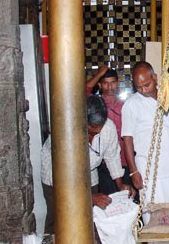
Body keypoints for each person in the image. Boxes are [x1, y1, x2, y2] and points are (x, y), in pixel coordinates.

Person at [40, 95, 135, 236]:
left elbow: (112, 156)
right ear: (82, 120)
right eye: (91, 131)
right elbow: (65, 178)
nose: (95, 134)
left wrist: (120, 185)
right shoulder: (64, 132)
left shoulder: (108, 128)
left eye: (99, 130)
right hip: (57, 177)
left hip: (89, 173)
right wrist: (90, 197)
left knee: (89, 220)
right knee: (60, 220)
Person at [122, 61, 169, 223]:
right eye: (138, 87)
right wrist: (134, 172)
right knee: (154, 223)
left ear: (155, 78)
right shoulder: (132, 104)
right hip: (148, 172)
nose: (143, 90)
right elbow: (127, 139)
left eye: (146, 85)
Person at [85, 66, 128, 194]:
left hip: (124, 159)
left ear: (118, 83)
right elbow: (81, 92)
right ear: (100, 84)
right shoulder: (94, 105)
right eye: (105, 83)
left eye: (113, 82)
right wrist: (99, 74)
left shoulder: (126, 104)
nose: (110, 87)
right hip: (102, 162)